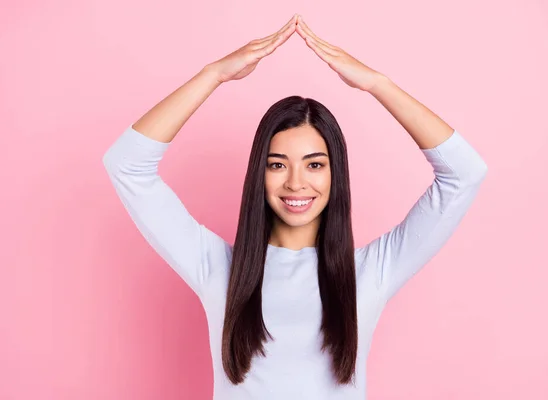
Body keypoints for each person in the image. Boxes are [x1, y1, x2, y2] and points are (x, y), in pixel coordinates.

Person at [102, 13, 487, 400]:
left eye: (314, 164)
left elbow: (464, 173)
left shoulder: (371, 273)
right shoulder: (217, 269)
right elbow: (127, 165)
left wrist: (376, 84)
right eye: (277, 164)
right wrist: (214, 74)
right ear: (259, 172)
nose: (296, 182)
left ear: (336, 174)